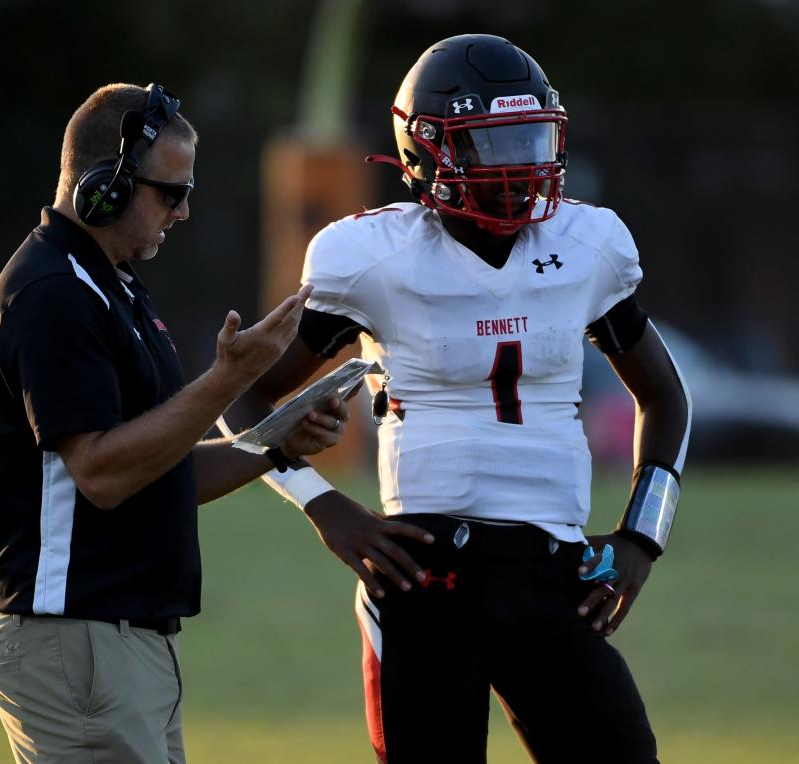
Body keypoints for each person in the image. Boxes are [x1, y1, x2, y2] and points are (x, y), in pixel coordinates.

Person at [225, 35, 691, 763]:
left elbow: (665, 396)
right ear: (426, 152)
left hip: (553, 576)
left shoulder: (587, 242)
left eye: (529, 140)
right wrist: (326, 508)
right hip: (424, 580)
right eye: (492, 145)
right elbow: (240, 394)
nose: (519, 168)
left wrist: (640, 538)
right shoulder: (372, 260)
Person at [0, 82, 349, 764]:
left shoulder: (109, 285)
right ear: (104, 187)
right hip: (77, 640)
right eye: (169, 193)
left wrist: (273, 444)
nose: (182, 213)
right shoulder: (53, 293)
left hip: (114, 643)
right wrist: (229, 379)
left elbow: (157, 467)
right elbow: (102, 474)